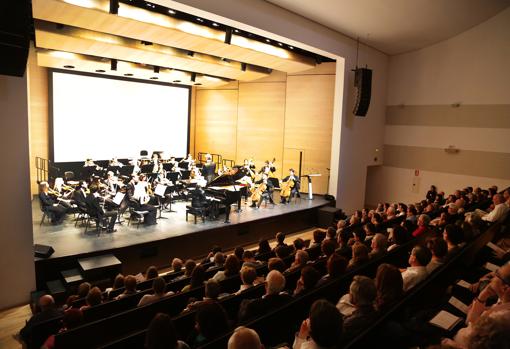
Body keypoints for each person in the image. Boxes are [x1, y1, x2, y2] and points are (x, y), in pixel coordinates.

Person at [342, 275, 377, 340]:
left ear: (353, 298)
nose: (349, 294)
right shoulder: (376, 310)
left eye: (350, 293)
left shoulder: (348, 324)